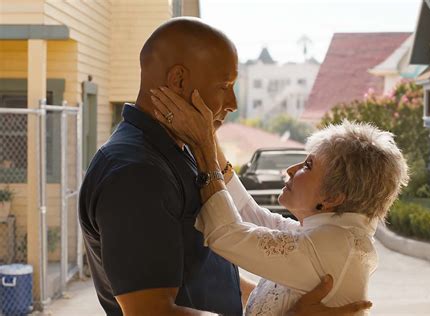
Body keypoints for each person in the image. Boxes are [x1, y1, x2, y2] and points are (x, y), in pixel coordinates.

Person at [79, 16, 371, 316]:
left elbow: (209, 269)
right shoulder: (135, 173)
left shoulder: (182, 151)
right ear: (179, 81)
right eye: (225, 86)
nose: (232, 102)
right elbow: (151, 312)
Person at [149, 88, 409, 315]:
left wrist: (203, 145)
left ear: (333, 197)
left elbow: (227, 235)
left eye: (308, 165)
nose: (291, 169)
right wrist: (209, 135)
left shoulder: (334, 245)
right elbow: (249, 213)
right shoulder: (329, 236)